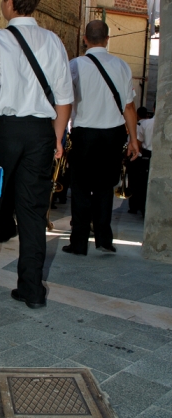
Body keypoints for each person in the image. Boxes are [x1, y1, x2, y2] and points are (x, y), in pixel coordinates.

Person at [0, 0, 73, 309]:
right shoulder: (54, 42)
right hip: (41, 132)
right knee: (32, 211)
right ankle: (31, 289)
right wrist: (57, 138)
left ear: (10, 1)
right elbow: (64, 99)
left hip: (5, 132)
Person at [63, 20, 140, 256]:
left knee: (81, 188)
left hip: (84, 135)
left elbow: (65, 101)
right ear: (107, 39)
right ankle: (104, 239)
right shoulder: (121, 66)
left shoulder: (75, 65)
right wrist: (134, 140)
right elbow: (128, 106)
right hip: (112, 136)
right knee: (106, 187)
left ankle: (78, 243)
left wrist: (60, 134)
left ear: (85, 39)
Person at [129, 105, 155, 215]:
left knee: (140, 183)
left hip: (145, 155)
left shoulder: (144, 124)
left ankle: (138, 207)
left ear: (153, 109)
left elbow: (138, 143)